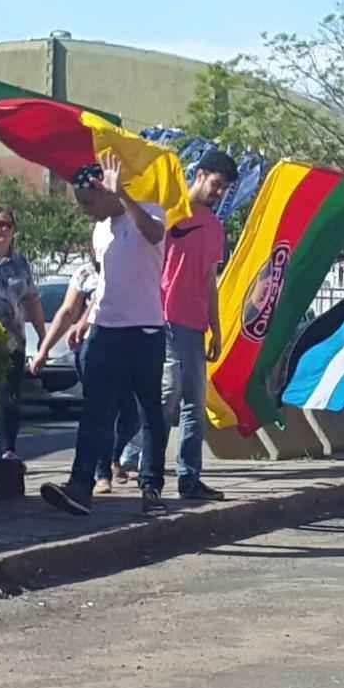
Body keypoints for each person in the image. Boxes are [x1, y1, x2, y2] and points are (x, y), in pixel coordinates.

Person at [40, 152, 170, 516]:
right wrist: (85, 321)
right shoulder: (99, 231)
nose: (85, 210)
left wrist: (125, 196)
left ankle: (151, 488)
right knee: (95, 410)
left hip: (145, 331)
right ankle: (80, 487)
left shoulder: (148, 211)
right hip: (105, 331)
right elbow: (105, 284)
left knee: (150, 412)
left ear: (104, 189)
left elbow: (155, 234)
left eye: (87, 201)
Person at [118, 149, 235, 500]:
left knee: (194, 404)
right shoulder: (167, 212)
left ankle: (189, 477)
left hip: (195, 323)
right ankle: (136, 461)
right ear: (199, 174)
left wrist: (215, 327)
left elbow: (209, 280)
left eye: (225, 189)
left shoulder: (214, 226)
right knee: (166, 396)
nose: (218, 193)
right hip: (162, 317)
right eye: (216, 184)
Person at [30, 253, 139, 493]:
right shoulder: (85, 272)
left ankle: (112, 458)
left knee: (132, 416)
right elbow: (67, 311)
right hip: (91, 348)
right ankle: (100, 475)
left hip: (125, 345)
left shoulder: (129, 265)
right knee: (102, 411)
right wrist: (44, 349)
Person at [0, 206, 46, 461]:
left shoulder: (19, 262)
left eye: (9, 225)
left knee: (9, 398)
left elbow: (32, 299)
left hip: (11, 342)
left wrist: (42, 335)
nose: (4, 229)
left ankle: (8, 451)